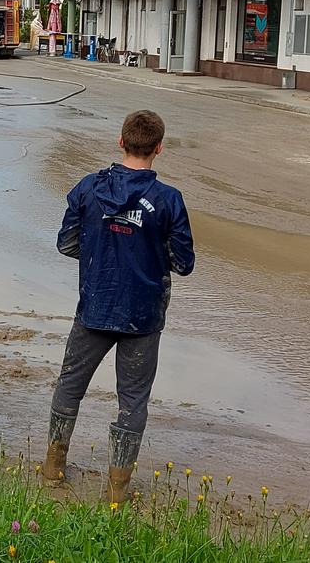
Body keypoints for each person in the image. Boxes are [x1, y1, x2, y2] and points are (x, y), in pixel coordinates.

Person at [40, 110, 195, 504]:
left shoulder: (88, 188)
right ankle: (115, 491)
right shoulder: (168, 200)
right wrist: (142, 254)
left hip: (95, 306)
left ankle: (52, 470)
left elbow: (66, 244)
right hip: (142, 316)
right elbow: (183, 263)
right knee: (132, 402)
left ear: (120, 141)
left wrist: (104, 251)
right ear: (159, 148)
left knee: (69, 388)